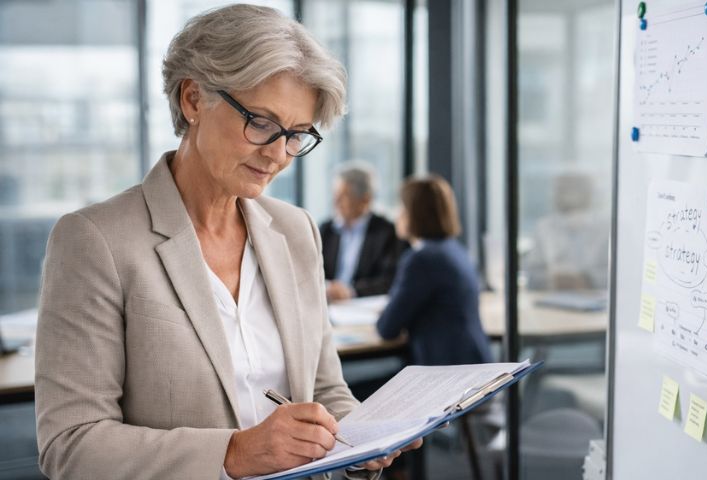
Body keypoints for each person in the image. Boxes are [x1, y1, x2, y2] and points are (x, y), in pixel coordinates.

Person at [34, 5, 418, 479]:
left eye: (297, 135)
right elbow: (70, 446)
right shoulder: (96, 241)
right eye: (261, 122)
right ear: (193, 99)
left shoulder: (296, 231)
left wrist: (362, 438)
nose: (279, 154)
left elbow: (323, 391)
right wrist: (234, 453)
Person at [376, 175, 493, 366]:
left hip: (447, 374)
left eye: (402, 208)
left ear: (414, 214)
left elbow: (387, 328)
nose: (397, 215)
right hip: (472, 362)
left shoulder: (421, 260)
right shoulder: (454, 250)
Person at [319, 164, 403, 302]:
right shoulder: (326, 229)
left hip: (362, 305)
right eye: (335, 195)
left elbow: (389, 280)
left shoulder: (387, 232)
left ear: (365, 200)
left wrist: (350, 291)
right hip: (327, 303)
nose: (336, 202)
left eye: (343, 196)